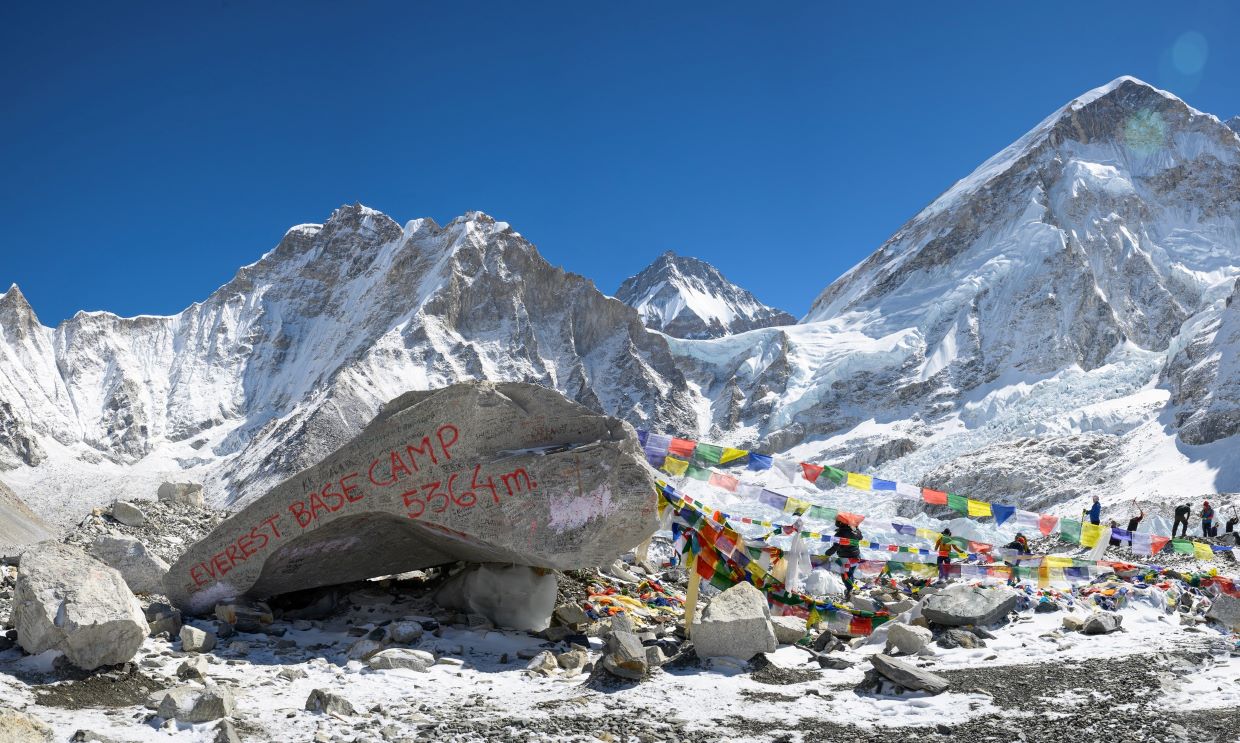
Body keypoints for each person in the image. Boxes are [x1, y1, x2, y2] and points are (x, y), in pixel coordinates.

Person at [823, 517, 862, 599]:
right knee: (850, 574)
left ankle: (849, 591)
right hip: (856, 557)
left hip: (846, 559)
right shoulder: (855, 531)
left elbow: (835, 547)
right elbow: (860, 537)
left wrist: (828, 553)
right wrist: (856, 528)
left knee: (845, 576)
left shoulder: (840, 533)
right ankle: (850, 591)